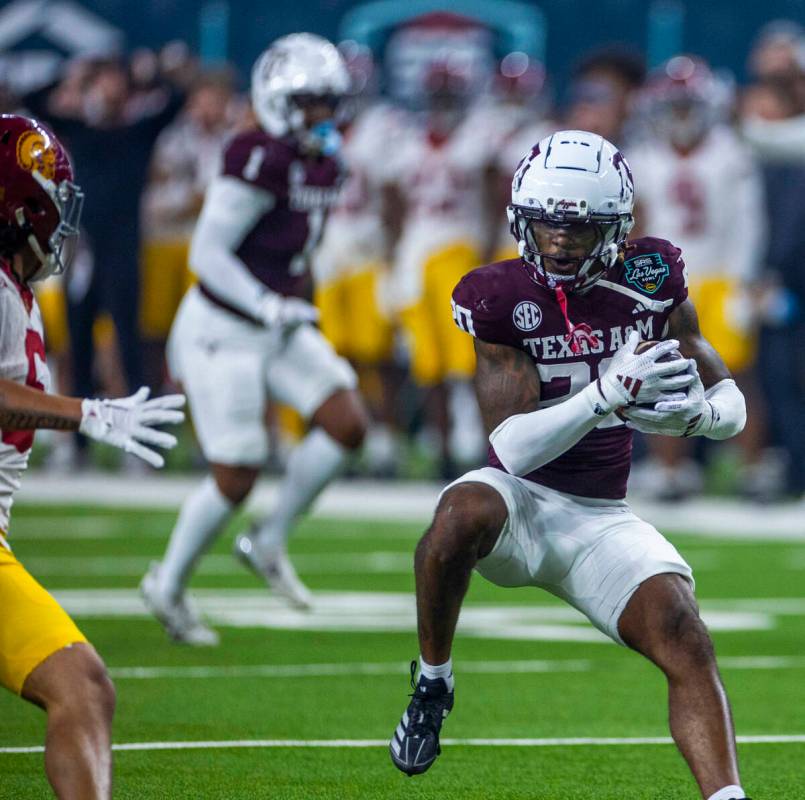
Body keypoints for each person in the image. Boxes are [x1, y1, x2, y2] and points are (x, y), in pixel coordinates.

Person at [389, 130, 751, 800]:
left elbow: (726, 393)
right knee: (455, 516)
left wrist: (696, 417)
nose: (558, 241)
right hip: (518, 502)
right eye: (545, 223)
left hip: (598, 517)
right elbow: (511, 446)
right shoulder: (494, 296)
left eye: (578, 229)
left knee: (684, 634)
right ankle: (433, 683)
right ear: (519, 220)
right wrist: (603, 397)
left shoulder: (649, 275)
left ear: (615, 229)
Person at [140, 33, 369, 646]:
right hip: (223, 327)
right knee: (237, 471)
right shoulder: (252, 154)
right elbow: (207, 255)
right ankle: (168, 584)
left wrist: (298, 304)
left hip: (277, 320)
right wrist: (268, 303)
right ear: (277, 99)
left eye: (329, 102)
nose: (323, 116)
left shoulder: (326, 160)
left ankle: (268, 539)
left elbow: (300, 247)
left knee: (346, 421)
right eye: (311, 102)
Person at [0, 114, 185, 799]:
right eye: (49, 207)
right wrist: (86, 413)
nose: (58, 225)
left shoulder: (16, 287)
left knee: (85, 688)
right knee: (81, 685)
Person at [628, 55, 769, 500]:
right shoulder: (644, 156)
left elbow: (750, 223)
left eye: (688, 105)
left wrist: (745, 283)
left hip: (721, 276)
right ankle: (672, 471)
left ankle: (753, 466)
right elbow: (638, 225)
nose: (682, 115)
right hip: (667, 284)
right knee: (662, 377)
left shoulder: (731, 151)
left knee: (736, 375)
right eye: (675, 106)